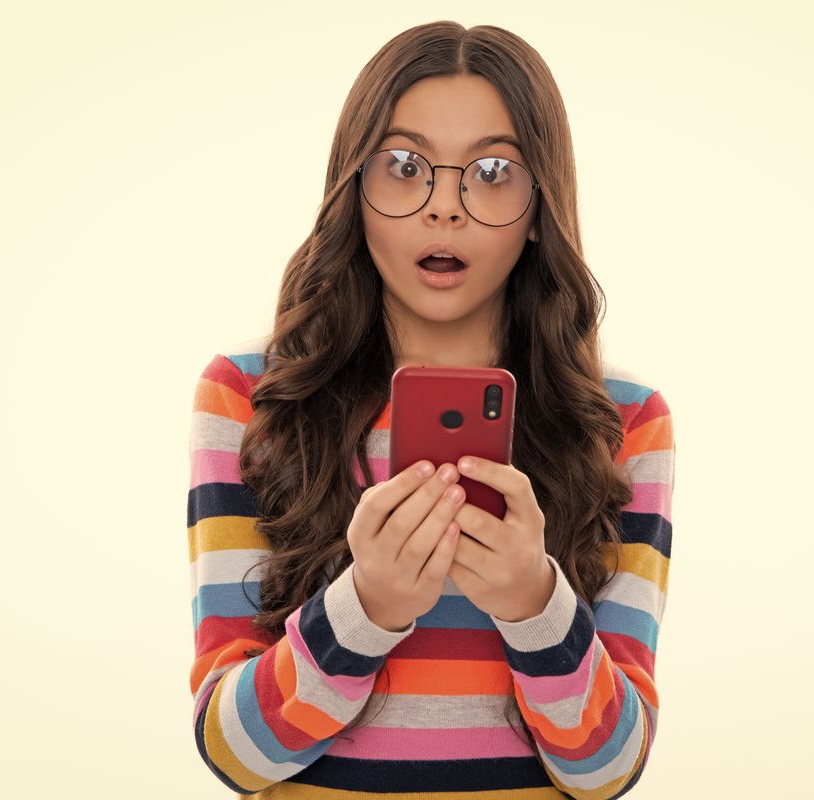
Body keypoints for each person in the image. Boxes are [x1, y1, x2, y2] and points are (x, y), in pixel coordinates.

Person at [186, 20, 676, 799]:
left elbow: (608, 770)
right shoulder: (251, 397)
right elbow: (232, 752)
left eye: (491, 171)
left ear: (540, 202)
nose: (445, 208)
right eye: (406, 165)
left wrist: (532, 604)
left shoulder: (622, 421)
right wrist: (366, 607)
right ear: (354, 184)